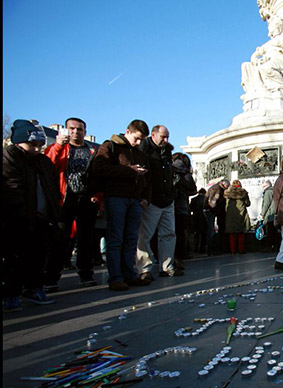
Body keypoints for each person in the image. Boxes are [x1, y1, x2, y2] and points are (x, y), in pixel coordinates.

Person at [2, 120, 59, 311]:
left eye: (39, 145)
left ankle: (34, 288)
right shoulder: (10, 156)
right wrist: (21, 212)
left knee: (38, 255)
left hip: (42, 216)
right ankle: (11, 293)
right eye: (32, 145)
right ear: (19, 142)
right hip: (19, 216)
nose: (36, 149)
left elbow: (52, 186)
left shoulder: (42, 161)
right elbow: (12, 186)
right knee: (15, 257)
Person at [92, 119, 152, 291]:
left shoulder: (140, 153)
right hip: (116, 197)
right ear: (127, 131)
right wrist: (129, 170)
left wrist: (145, 197)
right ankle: (116, 277)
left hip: (135, 200)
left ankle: (130, 274)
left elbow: (148, 179)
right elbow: (99, 168)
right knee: (116, 238)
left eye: (142, 140)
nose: (139, 143)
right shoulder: (110, 146)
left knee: (131, 239)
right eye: (137, 138)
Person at [43, 117, 99, 290]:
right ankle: (51, 277)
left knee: (86, 240)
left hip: (87, 199)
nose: (75, 132)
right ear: (65, 131)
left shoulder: (91, 151)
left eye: (79, 129)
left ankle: (86, 274)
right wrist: (59, 144)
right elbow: (48, 165)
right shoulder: (58, 148)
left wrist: (98, 195)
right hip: (65, 199)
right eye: (72, 129)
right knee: (59, 239)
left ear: (85, 132)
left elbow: (98, 175)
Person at [135, 125, 182, 280]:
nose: (166, 140)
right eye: (163, 137)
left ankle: (167, 266)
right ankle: (144, 268)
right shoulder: (143, 149)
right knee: (145, 235)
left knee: (169, 234)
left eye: (167, 137)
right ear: (153, 135)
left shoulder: (167, 151)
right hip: (152, 199)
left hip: (167, 199)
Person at [172, 153, 197, 267]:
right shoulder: (184, 172)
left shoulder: (169, 168)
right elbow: (193, 189)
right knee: (180, 232)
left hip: (167, 204)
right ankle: (180, 255)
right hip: (181, 206)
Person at [223, 180, 251, 254]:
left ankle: (233, 250)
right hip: (241, 214)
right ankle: (241, 250)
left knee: (232, 233)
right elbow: (248, 203)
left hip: (230, 215)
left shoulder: (227, 193)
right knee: (240, 233)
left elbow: (225, 205)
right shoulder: (243, 193)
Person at [204, 178, 229, 255]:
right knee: (211, 230)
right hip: (211, 211)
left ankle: (211, 249)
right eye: (227, 186)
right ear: (224, 185)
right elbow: (213, 202)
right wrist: (215, 211)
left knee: (211, 229)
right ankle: (211, 249)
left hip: (210, 210)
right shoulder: (217, 189)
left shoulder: (215, 187)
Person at [258, 180, 279, 252]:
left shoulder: (268, 192)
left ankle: (269, 247)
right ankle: (275, 246)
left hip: (270, 215)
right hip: (275, 214)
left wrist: (262, 214)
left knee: (270, 232)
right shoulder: (274, 191)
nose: (262, 188)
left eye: (263, 186)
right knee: (274, 232)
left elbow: (266, 204)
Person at [189, 188, 208, 253]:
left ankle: (195, 247)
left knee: (196, 233)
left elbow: (191, 209)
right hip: (203, 217)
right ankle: (202, 248)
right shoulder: (206, 199)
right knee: (203, 234)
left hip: (195, 217)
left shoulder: (193, 199)